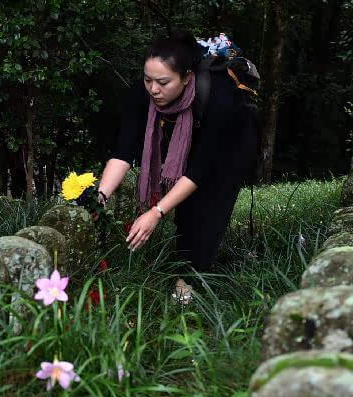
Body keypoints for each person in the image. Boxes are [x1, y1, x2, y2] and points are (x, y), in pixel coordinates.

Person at [89, 30, 258, 303]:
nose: (154, 89)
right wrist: (101, 196)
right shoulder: (143, 94)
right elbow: (123, 151)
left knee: (207, 207)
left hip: (230, 146)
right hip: (186, 139)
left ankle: (188, 283)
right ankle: (184, 255)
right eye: (148, 80)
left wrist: (156, 212)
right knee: (185, 212)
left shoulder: (222, 98)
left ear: (187, 77)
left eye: (163, 82)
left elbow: (200, 169)